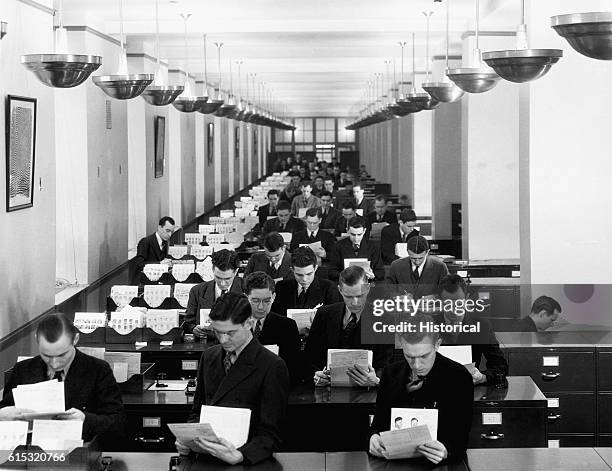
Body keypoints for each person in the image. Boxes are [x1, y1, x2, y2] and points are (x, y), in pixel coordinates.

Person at [177, 293, 290, 465]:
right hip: (206, 459)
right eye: (218, 332)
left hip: (248, 462)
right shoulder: (209, 356)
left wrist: (240, 456)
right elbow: (197, 411)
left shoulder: (272, 365)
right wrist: (189, 439)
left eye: (230, 333)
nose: (223, 339)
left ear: (249, 323)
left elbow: (271, 433)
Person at [0, 313, 125, 443]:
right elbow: (6, 409)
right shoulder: (23, 370)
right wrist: (2, 415)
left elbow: (118, 423)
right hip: (31, 453)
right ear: (36, 339)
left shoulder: (98, 370)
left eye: (62, 355)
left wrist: (85, 420)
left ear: (75, 339)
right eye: (46, 355)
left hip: (79, 454)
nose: (54, 363)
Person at [369, 312, 473, 465]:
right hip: (394, 464)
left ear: (437, 345)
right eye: (409, 356)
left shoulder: (459, 377)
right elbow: (378, 423)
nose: (417, 365)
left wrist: (446, 451)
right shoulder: (391, 374)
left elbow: (460, 438)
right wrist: (373, 438)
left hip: (438, 464)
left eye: (424, 356)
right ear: (401, 346)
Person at [305, 266, 393, 387]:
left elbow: (389, 363)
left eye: (360, 295)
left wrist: (376, 379)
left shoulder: (385, 319)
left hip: (368, 393)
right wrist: (316, 374)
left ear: (367, 288)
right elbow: (310, 358)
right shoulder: (324, 314)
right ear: (340, 290)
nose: (355, 302)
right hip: (327, 390)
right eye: (349, 297)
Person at [434, 274, 508, 385]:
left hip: (470, 389)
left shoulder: (482, 326)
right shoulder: (428, 324)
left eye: (459, 303)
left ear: (467, 298)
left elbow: (500, 367)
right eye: (448, 304)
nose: (454, 310)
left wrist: (482, 377)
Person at [244, 272, 302, 384]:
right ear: (246, 297)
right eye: (255, 301)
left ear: (274, 297)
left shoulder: (287, 326)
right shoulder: (235, 324)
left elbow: (294, 369)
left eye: (267, 301)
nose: (261, 307)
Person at [184, 249, 244, 336]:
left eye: (227, 279)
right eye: (218, 277)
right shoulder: (197, 291)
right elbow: (188, 322)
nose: (222, 283)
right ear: (212, 269)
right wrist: (193, 329)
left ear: (236, 271)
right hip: (205, 344)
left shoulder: (246, 289)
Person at [271, 246, 341, 317]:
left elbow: (334, 318)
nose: (304, 279)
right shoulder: (281, 287)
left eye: (309, 274)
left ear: (315, 268)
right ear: (292, 270)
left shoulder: (329, 288)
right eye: (299, 275)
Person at [330, 216, 385, 281]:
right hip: (346, 284)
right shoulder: (338, 246)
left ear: (364, 231)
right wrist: (344, 275)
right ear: (347, 230)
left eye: (359, 234)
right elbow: (332, 272)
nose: (356, 238)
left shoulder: (373, 247)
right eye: (353, 234)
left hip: (366, 284)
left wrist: (373, 275)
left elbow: (380, 272)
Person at [132, 216, 176, 283]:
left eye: (171, 232)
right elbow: (139, 264)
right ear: (159, 227)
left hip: (157, 279)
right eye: (167, 231)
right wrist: (160, 263)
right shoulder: (145, 242)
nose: (170, 235)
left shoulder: (165, 242)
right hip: (144, 281)